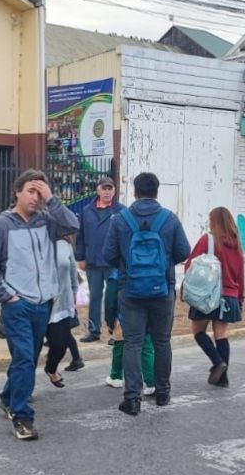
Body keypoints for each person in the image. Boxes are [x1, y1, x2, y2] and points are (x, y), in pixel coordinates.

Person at [0, 170, 79, 440]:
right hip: (17, 304)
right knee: (25, 357)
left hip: (43, 303)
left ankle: (7, 396)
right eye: (31, 191)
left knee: (26, 358)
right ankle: (22, 417)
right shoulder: (2, 225)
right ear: (17, 192)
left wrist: (52, 200)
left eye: (40, 192)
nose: (35, 197)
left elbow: (72, 226)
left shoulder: (47, 221)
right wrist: (6, 296)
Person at [103, 172, 190, 415]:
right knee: (162, 341)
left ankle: (132, 399)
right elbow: (184, 251)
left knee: (133, 342)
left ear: (135, 191)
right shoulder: (169, 219)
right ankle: (162, 392)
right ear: (157, 191)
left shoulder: (121, 219)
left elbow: (108, 255)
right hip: (162, 290)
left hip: (130, 291)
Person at [184, 206, 245, 388]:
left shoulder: (208, 240)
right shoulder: (237, 244)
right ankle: (223, 378)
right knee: (221, 334)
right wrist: (240, 298)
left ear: (213, 222)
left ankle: (217, 362)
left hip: (207, 294)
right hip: (229, 296)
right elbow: (241, 274)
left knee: (198, 331)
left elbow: (191, 265)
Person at [75, 176, 124, 342]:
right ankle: (94, 330)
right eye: (104, 188)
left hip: (113, 263)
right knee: (95, 297)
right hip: (93, 261)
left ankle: (113, 332)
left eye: (110, 188)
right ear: (98, 190)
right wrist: (80, 257)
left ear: (114, 191)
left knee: (113, 299)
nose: (107, 192)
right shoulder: (87, 211)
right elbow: (80, 236)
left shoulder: (121, 211)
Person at [104, 267, 157, 395]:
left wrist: (110, 321)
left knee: (121, 346)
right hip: (147, 314)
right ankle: (152, 382)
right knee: (147, 348)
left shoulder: (116, 275)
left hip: (124, 316)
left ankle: (116, 376)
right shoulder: (148, 269)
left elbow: (110, 302)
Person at [43, 234, 85, 387]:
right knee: (30, 351)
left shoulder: (64, 243)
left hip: (61, 302)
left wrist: (74, 292)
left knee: (60, 345)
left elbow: (73, 270)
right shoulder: (33, 239)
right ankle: (20, 392)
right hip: (37, 302)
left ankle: (51, 368)